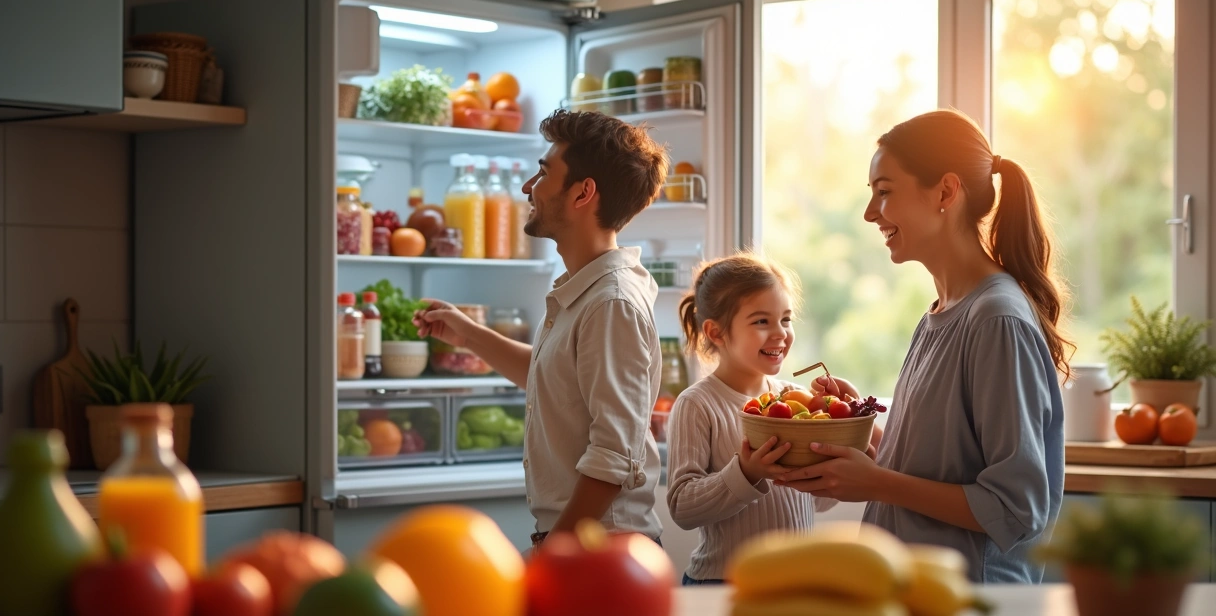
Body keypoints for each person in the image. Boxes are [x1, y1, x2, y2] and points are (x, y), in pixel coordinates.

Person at [777, 109, 1068, 583]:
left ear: (946, 191)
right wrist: (865, 432)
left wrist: (876, 482)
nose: (871, 213)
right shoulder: (941, 312)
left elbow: (1016, 508)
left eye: (885, 192)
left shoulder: (996, 320)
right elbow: (943, 465)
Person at [412, 109, 669, 550]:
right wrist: (469, 334)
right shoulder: (588, 292)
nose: (529, 188)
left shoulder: (611, 303)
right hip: (587, 545)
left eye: (543, 172)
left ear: (583, 193)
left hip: (602, 553)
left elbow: (613, 456)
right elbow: (554, 380)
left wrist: (556, 553)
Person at [666, 252, 842, 585]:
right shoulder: (697, 404)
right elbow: (682, 507)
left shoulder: (794, 398)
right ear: (716, 333)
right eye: (762, 321)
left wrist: (839, 453)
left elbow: (817, 502)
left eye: (786, 319)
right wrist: (746, 473)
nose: (781, 333)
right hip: (724, 585)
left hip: (796, 585)